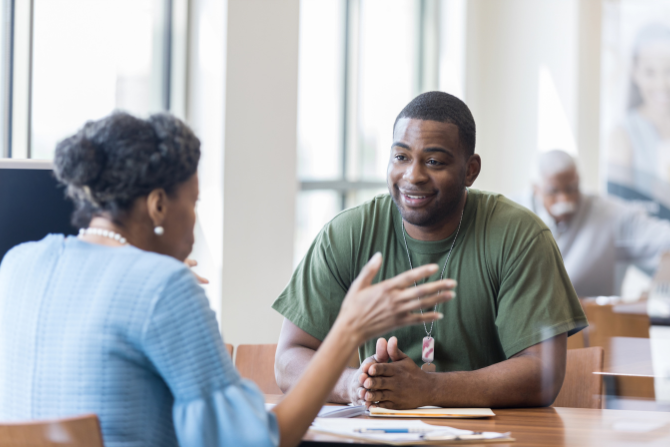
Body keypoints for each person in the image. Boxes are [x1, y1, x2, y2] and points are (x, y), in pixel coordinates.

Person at [0, 112, 455, 447]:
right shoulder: (162, 288)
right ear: (158, 205)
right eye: (193, 202)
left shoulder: (17, 264)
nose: (195, 220)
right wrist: (348, 330)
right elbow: (262, 440)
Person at [273, 91, 587, 410]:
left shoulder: (520, 236)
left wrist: (430, 389)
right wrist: (352, 385)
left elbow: (543, 372)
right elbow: (289, 359)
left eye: (434, 161)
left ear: (470, 170)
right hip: (375, 436)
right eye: (401, 157)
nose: (413, 176)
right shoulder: (347, 234)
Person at [516, 149, 670, 298]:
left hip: (594, 320)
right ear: (536, 189)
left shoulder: (608, 214)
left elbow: (661, 238)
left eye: (571, 189)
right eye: (553, 191)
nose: (565, 200)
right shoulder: (510, 217)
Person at [608, 23, 670, 219]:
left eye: (668, 70)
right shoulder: (623, 135)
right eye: (650, 72)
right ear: (635, 73)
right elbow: (621, 213)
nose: (662, 83)